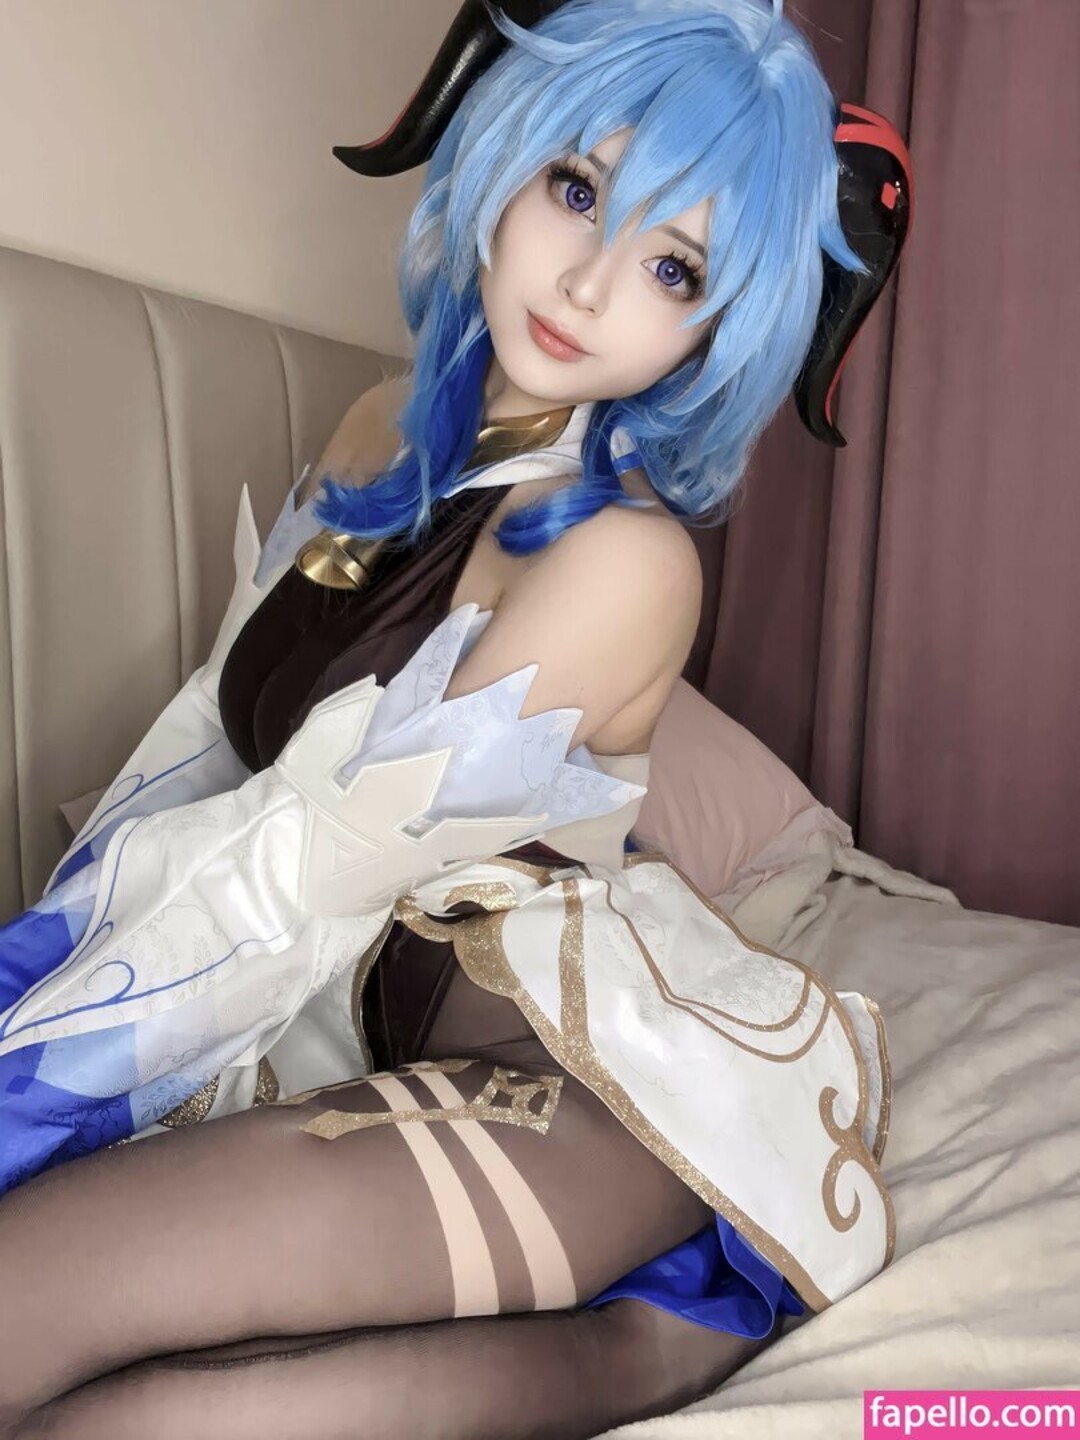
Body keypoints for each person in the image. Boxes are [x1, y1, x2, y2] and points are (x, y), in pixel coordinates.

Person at [0, 1, 912, 1435]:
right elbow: (200, 759)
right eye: (579, 188)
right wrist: (47, 968)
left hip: (563, 1086)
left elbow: (306, 870)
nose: (592, 284)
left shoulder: (629, 562)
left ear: (720, 329)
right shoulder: (376, 428)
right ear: (508, 149)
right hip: (336, 1032)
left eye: (673, 266)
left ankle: (661, 1337)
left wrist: (35, 1062)